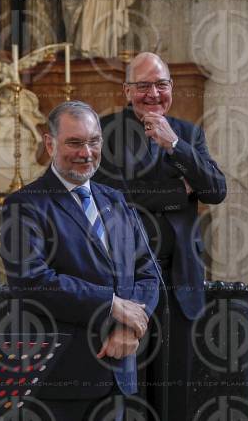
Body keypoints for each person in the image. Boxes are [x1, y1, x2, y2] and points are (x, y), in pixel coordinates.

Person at [0, 100, 160, 421]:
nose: (86, 152)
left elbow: (148, 274)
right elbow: (32, 281)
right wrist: (111, 305)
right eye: (74, 142)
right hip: (62, 378)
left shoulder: (115, 200)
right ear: (50, 143)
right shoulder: (24, 205)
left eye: (94, 141)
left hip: (118, 370)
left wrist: (128, 328)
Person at [92, 51, 227, 419]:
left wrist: (175, 147)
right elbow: (111, 197)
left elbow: (215, 189)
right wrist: (178, 191)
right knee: (126, 384)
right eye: (143, 85)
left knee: (173, 387)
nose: (153, 93)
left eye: (161, 84)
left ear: (172, 88)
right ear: (126, 90)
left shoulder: (187, 134)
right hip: (124, 281)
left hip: (177, 275)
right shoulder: (103, 132)